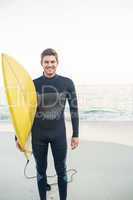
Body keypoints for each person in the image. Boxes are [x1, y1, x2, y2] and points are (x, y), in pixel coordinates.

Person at [16, 48, 79, 200]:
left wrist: (75, 134)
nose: (49, 65)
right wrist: (18, 136)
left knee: (61, 170)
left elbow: (74, 109)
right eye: (46, 62)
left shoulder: (67, 83)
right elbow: (24, 113)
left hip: (58, 134)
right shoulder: (33, 84)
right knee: (40, 170)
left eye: (52, 62)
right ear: (41, 63)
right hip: (39, 135)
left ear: (57, 63)